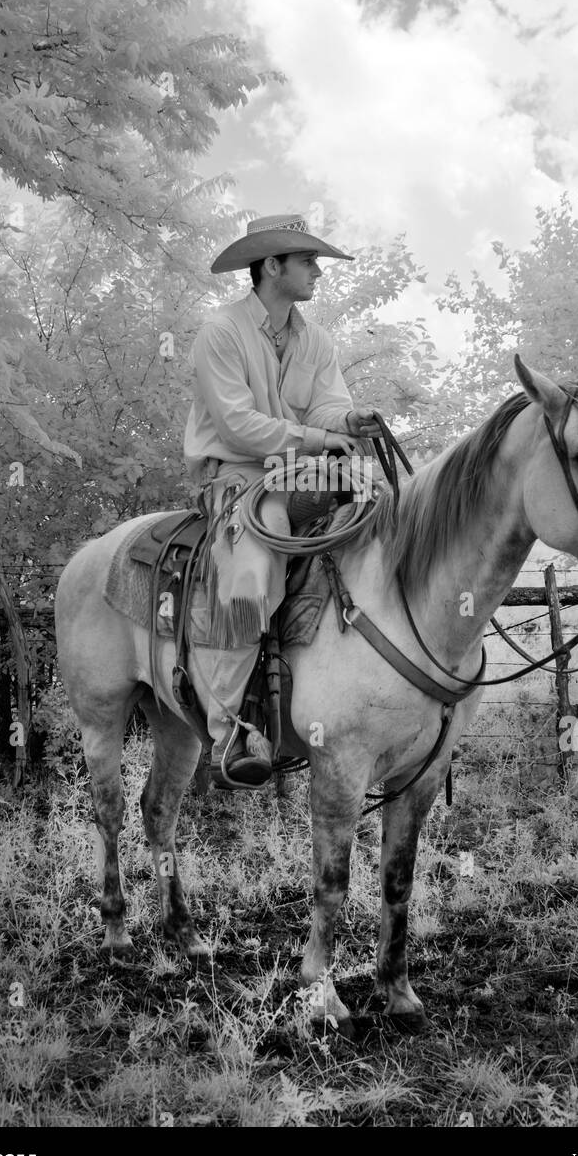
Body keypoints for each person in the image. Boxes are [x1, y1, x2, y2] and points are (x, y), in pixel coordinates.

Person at [183, 213, 380, 790]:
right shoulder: (221, 332)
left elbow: (323, 407)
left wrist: (347, 419)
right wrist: (318, 439)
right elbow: (238, 425)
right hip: (240, 477)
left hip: (301, 472)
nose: (319, 272)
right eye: (309, 261)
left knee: (381, 511)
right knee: (251, 569)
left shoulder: (316, 339)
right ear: (273, 266)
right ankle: (231, 732)